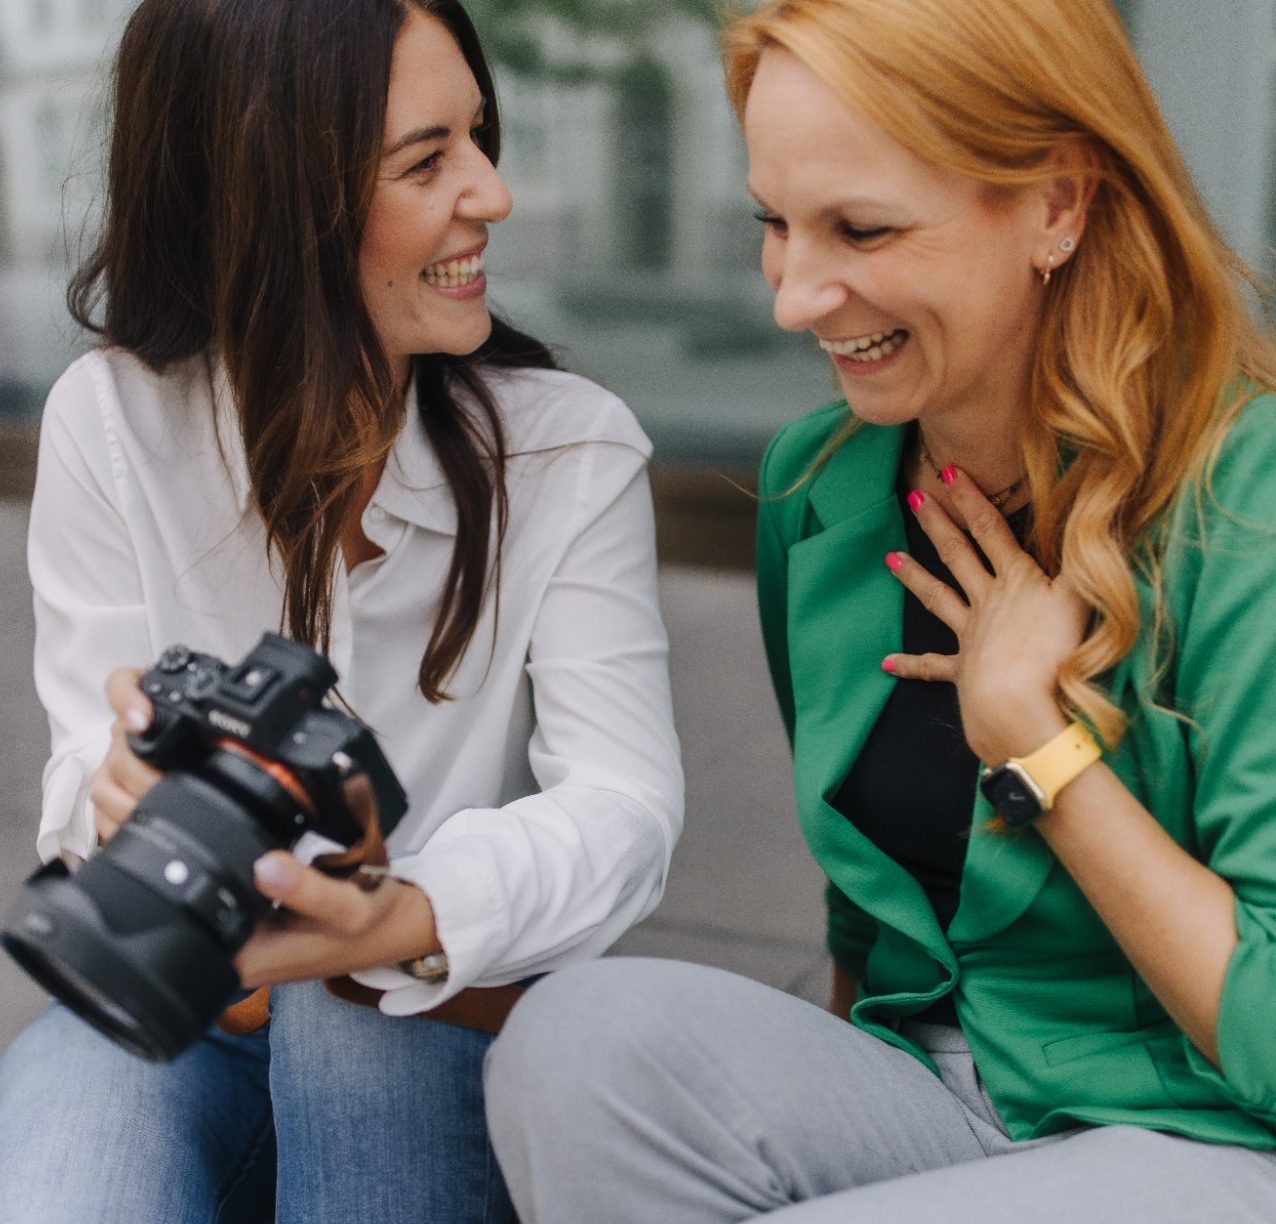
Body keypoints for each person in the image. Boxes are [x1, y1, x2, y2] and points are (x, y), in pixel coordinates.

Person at [483, 0, 1276, 1219]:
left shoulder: (1247, 501)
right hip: (944, 1096)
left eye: (862, 228)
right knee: (578, 1040)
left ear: (1057, 205)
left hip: (1206, 1137)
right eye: (773, 224)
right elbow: (866, 923)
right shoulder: (824, 484)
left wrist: (1037, 746)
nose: (796, 297)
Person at [0, 0, 683, 1221]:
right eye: (427, 161)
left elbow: (624, 811)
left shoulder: (567, 451)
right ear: (271, 199)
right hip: (191, 1006)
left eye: (480, 137)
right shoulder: (111, 424)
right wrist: (121, 799)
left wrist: (395, 910)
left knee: (350, 1027)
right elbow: (77, 786)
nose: (492, 193)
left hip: (428, 1001)